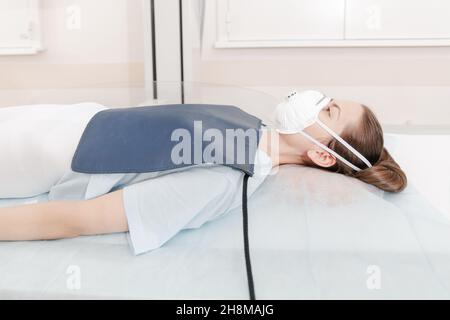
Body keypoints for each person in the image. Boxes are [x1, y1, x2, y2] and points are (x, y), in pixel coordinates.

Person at [0, 90, 407, 255]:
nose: (313, 100)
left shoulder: (224, 180)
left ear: (322, 157)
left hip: (30, 156)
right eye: (326, 98)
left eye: (328, 111)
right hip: (55, 121)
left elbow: (78, 220)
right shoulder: (249, 125)